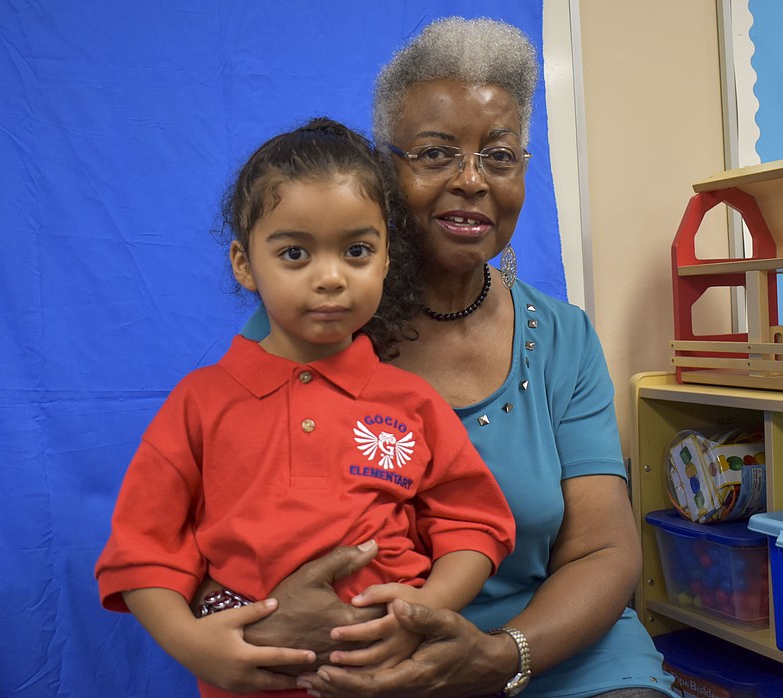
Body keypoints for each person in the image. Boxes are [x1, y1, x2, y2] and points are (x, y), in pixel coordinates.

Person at [228, 17, 679, 698]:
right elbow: (218, 525)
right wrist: (267, 618)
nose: (472, 180)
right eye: (436, 153)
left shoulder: (561, 337)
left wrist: (502, 655)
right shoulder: (307, 327)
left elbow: (604, 551)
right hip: (363, 661)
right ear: (384, 169)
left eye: (498, 156)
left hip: (548, 651)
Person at [94, 117, 516, 698]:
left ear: (387, 260)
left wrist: (425, 608)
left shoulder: (412, 403)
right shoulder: (200, 404)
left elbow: (474, 525)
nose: (330, 278)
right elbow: (142, 553)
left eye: (357, 251)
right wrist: (197, 648)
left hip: (401, 681)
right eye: (295, 252)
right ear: (245, 264)